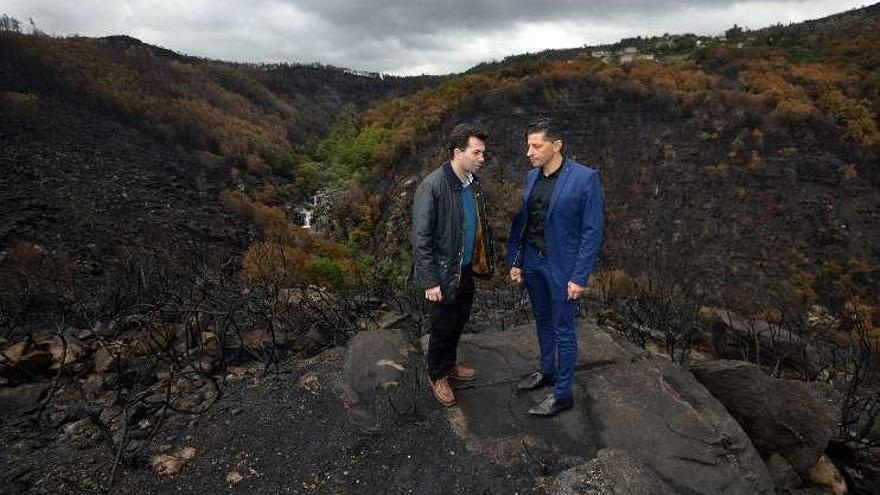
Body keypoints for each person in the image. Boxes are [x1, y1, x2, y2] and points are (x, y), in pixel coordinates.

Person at [507, 117, 603, 417]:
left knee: (563, 329)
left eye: (536, 146)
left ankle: (562, 394)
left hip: (563, 267)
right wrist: (518, 261)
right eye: (528, 146)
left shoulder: (584, 178)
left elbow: (592, 231)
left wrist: (579, 276)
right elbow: (526, 222)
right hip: (533, 261)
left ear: (556, 145)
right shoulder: (531, 177)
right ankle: (546, 371)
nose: (529, 152)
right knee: (542, 320)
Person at [411, 123, 495, 407]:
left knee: (459, 322)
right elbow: (421, 237)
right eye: (477, 152)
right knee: (443, 326)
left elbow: (475, 226)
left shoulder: (471, 183)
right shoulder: (432, 186)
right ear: (458, 152)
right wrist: (430, 281)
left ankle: (448, 366)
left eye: (483, 152)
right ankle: (437, 376)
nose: (482, 158)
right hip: (443, 274)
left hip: (466, 269)